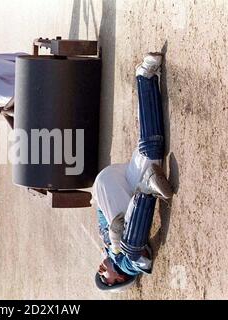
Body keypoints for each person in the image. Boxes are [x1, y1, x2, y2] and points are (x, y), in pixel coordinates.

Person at [91, 53, 173, 292]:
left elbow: (109, 219)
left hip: (112, 189)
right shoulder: (128, 268)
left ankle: (147, 190)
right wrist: (118, 247)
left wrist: (114, 245)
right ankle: (145, 78)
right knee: (152, 145)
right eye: (104, 278)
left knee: (122, 240)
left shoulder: (111, 251)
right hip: (127, 189)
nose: (100, 271)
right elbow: (138, 262)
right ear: (118, 280)